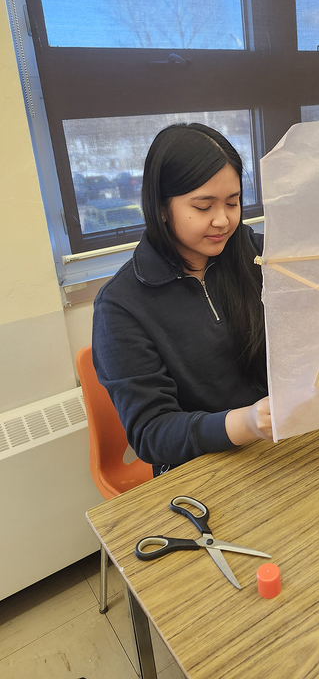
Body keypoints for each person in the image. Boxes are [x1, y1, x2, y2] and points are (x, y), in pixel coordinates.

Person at [92, 123, 272, 477]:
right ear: (161, 208)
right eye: (204, 206)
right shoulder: (121, 306)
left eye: (233, 203)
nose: (223, 220)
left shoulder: (258, 255)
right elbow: (151, 432)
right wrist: (247, 423)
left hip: (283, 446)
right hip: (201, 470)